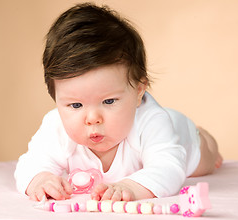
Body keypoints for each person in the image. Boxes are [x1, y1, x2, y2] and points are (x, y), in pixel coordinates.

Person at [14, 3, 223, 202]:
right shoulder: (55, 127)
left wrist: (131, 187)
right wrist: (40, 179)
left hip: (181, 135)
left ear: (139, 90)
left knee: (204, 160)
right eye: (76, 105)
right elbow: (29, 163)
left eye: (109, 101)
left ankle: (204, 137)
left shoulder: (151, 123)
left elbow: (169, 168)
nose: (92, 118)